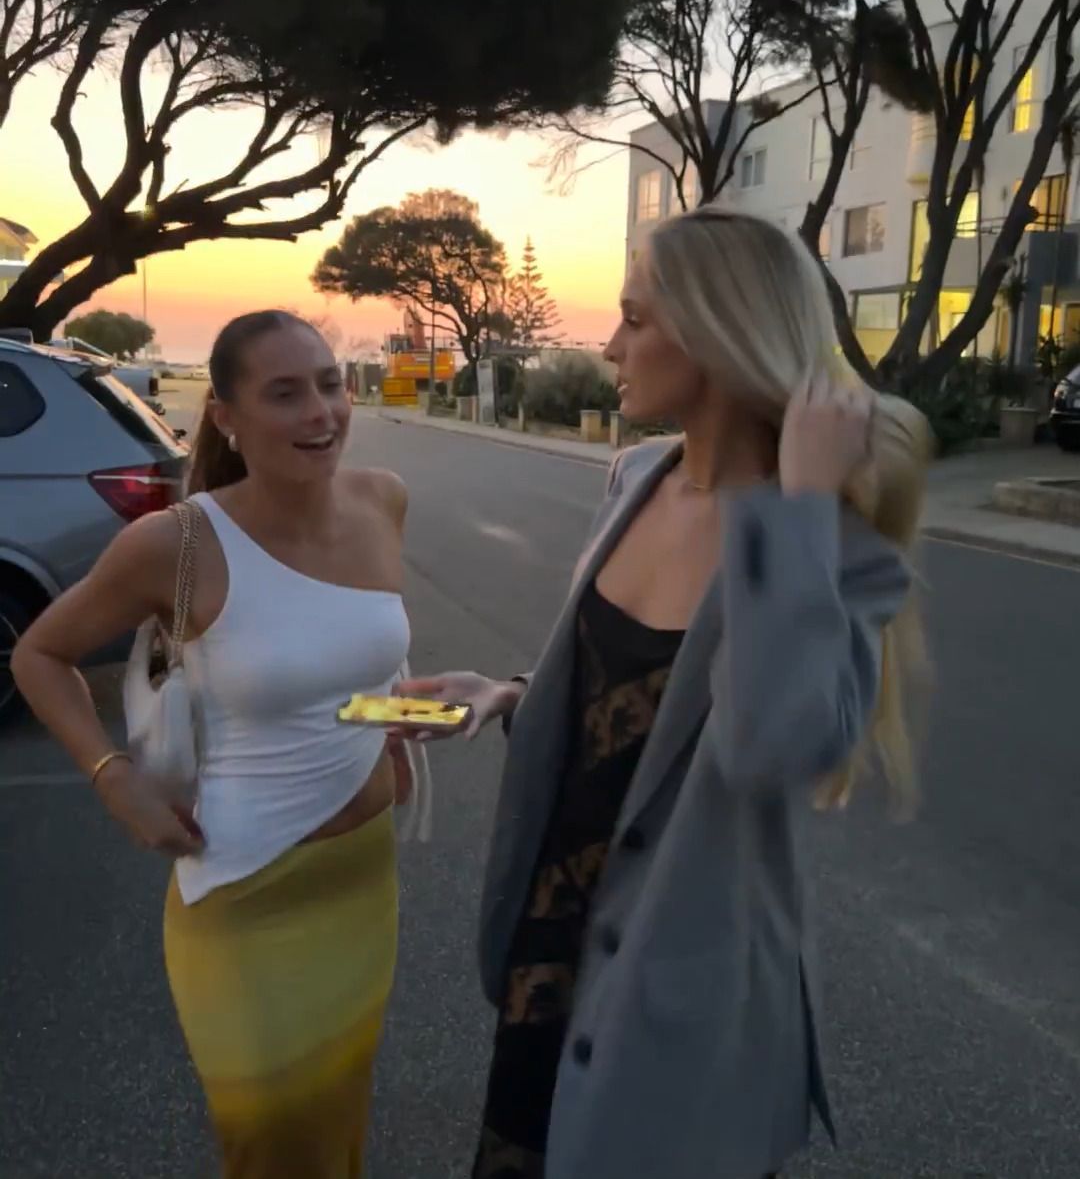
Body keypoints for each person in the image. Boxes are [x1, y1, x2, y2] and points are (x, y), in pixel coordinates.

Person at [396, 205, 931, 1179]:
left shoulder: (828, 539)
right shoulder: (637, 475)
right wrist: (516, 694)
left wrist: (799, 509)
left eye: (635, 319)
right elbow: (644, 692)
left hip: (687, 994)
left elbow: (776, 744)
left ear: (721, 335)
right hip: (552, 949)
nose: (609, 346)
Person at [13, 310, 412, 1179]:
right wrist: (113, 776)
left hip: (361, 880)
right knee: (271, 1147)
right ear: (225, 416)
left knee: (338, 1120)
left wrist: (420, 710)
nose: (322, 412)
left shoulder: (383, 499)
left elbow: (343, 676)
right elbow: (38, 654)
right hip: (243, 896)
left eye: (330, 384)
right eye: (285, 394)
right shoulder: (176, 543)